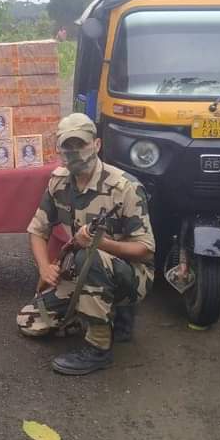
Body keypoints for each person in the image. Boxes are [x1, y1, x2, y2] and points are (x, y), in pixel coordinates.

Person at [17, 113, 155, 376]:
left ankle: (98, 348)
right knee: (29, 322)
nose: (74, 153)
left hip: (131, 275)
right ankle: (102, 316)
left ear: (97, 145)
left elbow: (145, 249)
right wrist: (45, 268)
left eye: (80, 144)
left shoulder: (125, 187)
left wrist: (100, 244)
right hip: (81, 269)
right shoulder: (58, 182)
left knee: (88, 258)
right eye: (67, 147)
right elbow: (37, 230)